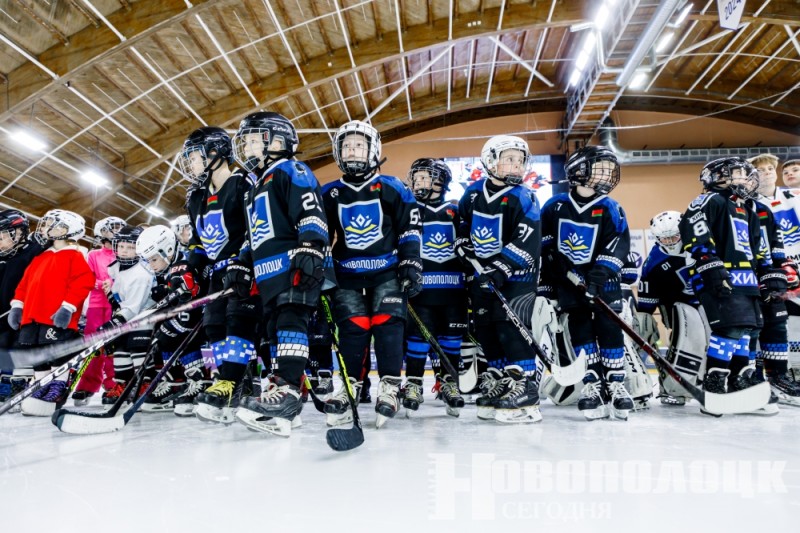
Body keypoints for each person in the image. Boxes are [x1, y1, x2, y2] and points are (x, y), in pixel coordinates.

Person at [218, 111, 330, 437]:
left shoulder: (290, 170)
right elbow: (253, 234)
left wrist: (311, 246)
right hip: (268, 274)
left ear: (276, 142)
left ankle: (289, 393)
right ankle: (281, 392)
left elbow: (310, 208)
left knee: (291, 323)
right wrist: (241, 263)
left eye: (253, 141)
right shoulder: (254, 186)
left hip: (295, 266)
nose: (247, 148)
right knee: (273, 330)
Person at [321, 120, 421, 429]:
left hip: (387, 272)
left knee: (388, 326)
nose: (352, 151)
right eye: (347, 146)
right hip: (346, 273)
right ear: (338, 152)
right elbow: (319, 235)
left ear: (373, 151)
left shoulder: (393, 187)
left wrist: (411, 262)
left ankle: (389, 387)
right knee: (352, 329)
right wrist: (321, 269)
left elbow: (410, 227)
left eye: (359, 146)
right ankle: (348, 387)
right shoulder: (329, 193)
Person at [540, 145, 634, 421]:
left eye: (609, 169)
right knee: (580, 328)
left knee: (609, 327)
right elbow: (544, 243)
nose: (607, 175)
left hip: (604, 283)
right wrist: (553, 264)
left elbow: (617, 246)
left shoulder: (611, 207)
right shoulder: (555, 206)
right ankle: (592, 383)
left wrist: (596, 277)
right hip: (569, 284)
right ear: (579, 171)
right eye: (600, 169)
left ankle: (615, 383)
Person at [457, 135, 543, 423]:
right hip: (482, 277)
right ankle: (502, 383)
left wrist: (501, 268)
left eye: (520, 160)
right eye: (509, 159)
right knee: (487, 331)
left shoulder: (525, 197)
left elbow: (528, 239)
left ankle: (526, 387)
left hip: (517, 278)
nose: (516, 165)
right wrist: (462, 243)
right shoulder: (472, 194)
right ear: (490, 161)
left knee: (510, 329)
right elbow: (463, 224)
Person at [177, 126, 259, 422]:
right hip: (216, 272)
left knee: (238, 320)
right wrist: (190, 268)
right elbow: (198, 240)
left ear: (216, 153)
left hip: (243, 267)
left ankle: (230, 380)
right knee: (213, 326)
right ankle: (229, 380)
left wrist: (245, 260)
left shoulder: (244, 183)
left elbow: (256, 226)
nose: (191, 164)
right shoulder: (196, 196)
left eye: (194, 157)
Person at [679, 157, 767, 413]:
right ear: (719, 177)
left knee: (748, 330)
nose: (744, 178)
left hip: (746, 278)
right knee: (730, 328)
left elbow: (756, 248)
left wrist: (767, 273)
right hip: (719, 274)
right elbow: (695, 232)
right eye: (738, 173)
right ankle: (715, 381)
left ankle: (739, 379)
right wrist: (710, 264)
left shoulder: (747, 209)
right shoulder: (710, 200)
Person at [8, 210, 95, 416]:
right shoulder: (41, 256)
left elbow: (83, 282)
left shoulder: (74, 255)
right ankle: (41, 385)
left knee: (56, 352)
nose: (46, 228)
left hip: (55, 317)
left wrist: (68, 307)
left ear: (66, 230)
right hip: (32, 316)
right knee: (38, 352)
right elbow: (24, 284)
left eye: (51, 225)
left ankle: (57, 385)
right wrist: (17, 306)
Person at [403, 158, 465, 416]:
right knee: (417, 337)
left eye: (424, 177)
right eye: (416, 178)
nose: (418, 183)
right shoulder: (409, 209)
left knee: (452, 338)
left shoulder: (455, 211)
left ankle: (449, 382)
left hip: (454, 290)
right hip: (421, 290)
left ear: (441, 181)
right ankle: (413, 383)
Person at [638, 210, 701, 405]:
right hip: (675, 308)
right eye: (665, 239)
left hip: (705, 303)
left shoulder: (700, 245)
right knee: (679, 342)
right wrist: (645, 320)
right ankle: (669, 386)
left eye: (674, 236)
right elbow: (646, 304)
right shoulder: (653, 263)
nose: (671, 242)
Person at [98, 226, 157, 407]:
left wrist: (113, 323)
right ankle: (123, 384)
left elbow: (133, 307)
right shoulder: (117, 268)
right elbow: (121, 299)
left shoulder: (141, 273)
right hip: (126, 317)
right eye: (121, 246)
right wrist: (112, 299)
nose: (124, 251)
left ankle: (145, 384)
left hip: (143, 318)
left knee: (137, 348)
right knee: (120, 347)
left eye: (130, 247)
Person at [71, 216, 126, 405]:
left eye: (119, 228)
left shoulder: (124, 253)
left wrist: (113, 283)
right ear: (101, 233)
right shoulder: (94, 255)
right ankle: (87, 385)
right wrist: (101, 284)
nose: (117, 232)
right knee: (93, 346)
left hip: (116, 304)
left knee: (113, 344)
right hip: (96, 305)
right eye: (113, 229)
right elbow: (87, 277)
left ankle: (113, 383)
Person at [0, 210, 44, 404]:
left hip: (23, 314)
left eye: (2, 237)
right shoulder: (3, 257)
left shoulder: (34, 252)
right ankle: (5, 385)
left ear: (19, 233)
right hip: (3, 316)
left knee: (18, 349)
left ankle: (18, 386)